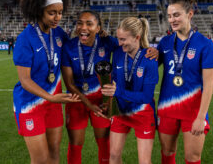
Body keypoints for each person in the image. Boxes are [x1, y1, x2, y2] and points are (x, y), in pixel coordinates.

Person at [61, 11, 158, 164]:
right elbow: (69, 83)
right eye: (80, 23)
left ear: (98, 28)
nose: (83, 27)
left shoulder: (114, 44)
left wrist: (155, 51)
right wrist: (95, 103)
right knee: (87, 148)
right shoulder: (71, 46)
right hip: (88, 102)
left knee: (111, 148)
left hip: (119, 106)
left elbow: (133, 46)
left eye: (89, 24)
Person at [12, 0, 80, 164]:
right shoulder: (24, 39)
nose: (58, 17)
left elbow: (76, 49)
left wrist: (98, 34)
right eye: (52, 12)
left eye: (60, 12)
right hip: (30, 105)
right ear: (38, 10)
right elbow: (25, 80)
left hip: (53, 105)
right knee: (41, 160)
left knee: (54, 155)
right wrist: (51, 98)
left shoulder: (58, 33)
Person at [156, 0, 213, 164]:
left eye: (176, 15)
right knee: (167, 153)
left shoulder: (205, 44)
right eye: (169, 16)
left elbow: (209, 84)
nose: (172, 20)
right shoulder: (164, 42)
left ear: (190, 14)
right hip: (167, 108)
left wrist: (201, 117)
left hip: (193, 111)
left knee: (193, 158)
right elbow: (149, 69)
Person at [101, 17, 159, 164]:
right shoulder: (119, 51)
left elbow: (146, 97)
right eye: (118, 39)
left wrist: (118, 92)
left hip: (143, 113)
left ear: (137, 37)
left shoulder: (150, 59)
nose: (119, 43)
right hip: (120, 111)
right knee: (113, 156)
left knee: (144, 162)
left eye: (123, 39)